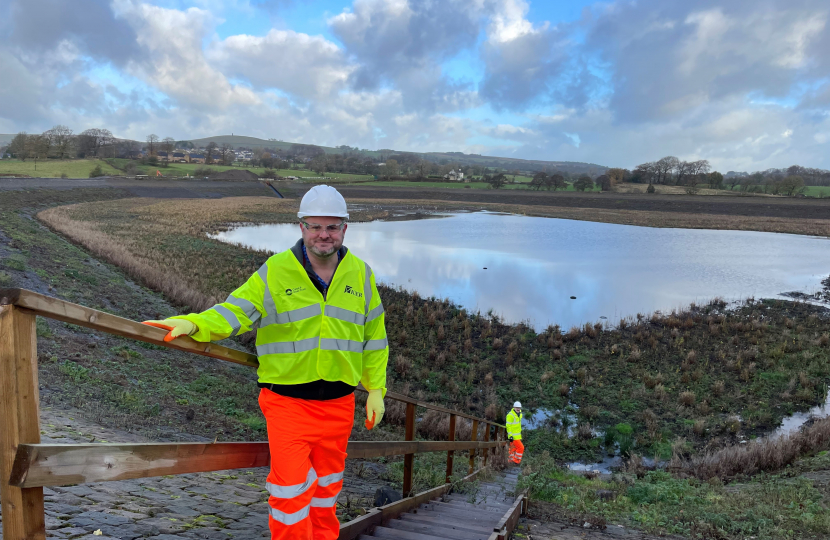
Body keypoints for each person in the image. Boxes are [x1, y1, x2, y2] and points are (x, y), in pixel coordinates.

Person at [143, 185, 388, 540]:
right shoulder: (275, 270)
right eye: (315, 226)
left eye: (332, 227)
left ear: (345, 228)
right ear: (301, 227)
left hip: (339, 406)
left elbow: (375, 339)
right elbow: (235, 312)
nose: (324, 234)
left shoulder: (361, 275)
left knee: (327, 492)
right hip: (287, 405)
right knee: (290, 494)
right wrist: (195, 323)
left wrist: (376, 388)